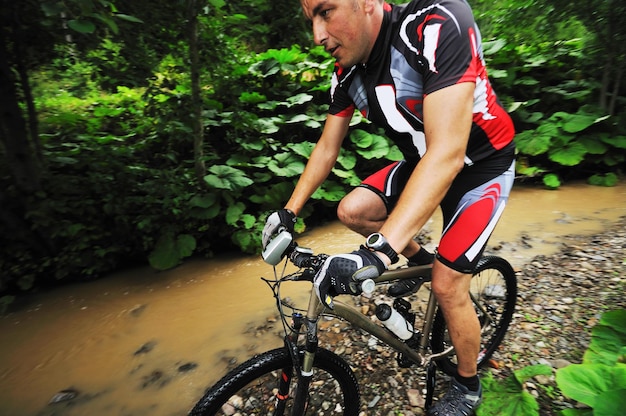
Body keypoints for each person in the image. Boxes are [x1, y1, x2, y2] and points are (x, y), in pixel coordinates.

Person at [262, 0, 516, 414]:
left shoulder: (434, 23)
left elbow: (449, 153)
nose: (318, 35)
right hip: (422, 162)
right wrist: (289, 211)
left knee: (448, 285)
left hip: (479, 166)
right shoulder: (346, 73)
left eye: (326, 11)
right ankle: (420, 261)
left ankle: (468, 385)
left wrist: (377, 252)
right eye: (311, 20)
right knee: (352, 210)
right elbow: (327, 148)